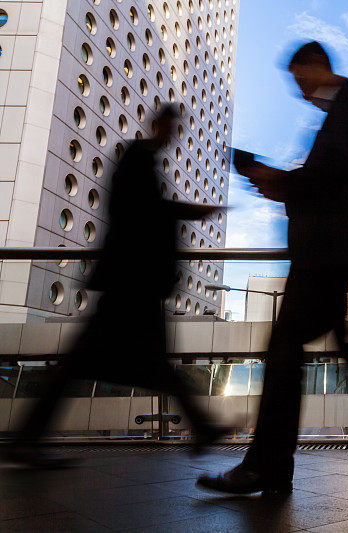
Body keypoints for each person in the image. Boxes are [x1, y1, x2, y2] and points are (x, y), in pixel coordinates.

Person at [197, 41, 348, 495]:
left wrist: (277, 179)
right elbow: (328, 178)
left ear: (318, 65)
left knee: (284, 351)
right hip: (327, 254)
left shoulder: (347, 102)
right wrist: (279, 183)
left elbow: (332, 176)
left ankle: (267, 465)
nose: (299, 88)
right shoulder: (344, 108)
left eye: (300, 76)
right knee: (341, 352)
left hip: (325, 255)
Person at [4, 106, 222, 468]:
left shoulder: (141, 161)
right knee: (113, 362)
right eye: (169, 126)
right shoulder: (137, 158)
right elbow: (141, 213)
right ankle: (204, 426)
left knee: (111, 362)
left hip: (133, 283)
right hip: (132, 283)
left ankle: (27, 440)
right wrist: (187, 212)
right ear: (155, 125)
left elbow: (143, 211)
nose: (172, 134)